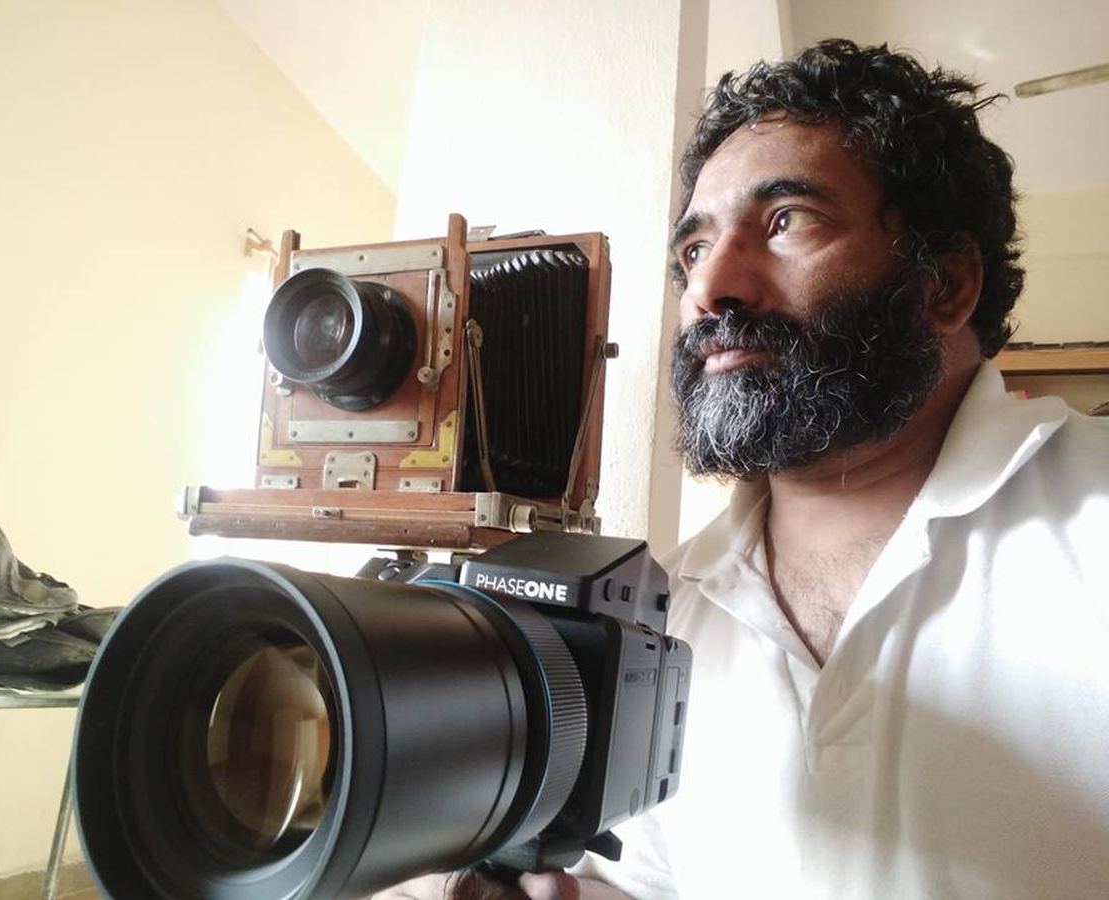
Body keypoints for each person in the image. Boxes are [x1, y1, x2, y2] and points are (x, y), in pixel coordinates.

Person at [378, 38, 1109, 900]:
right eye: (693, 251)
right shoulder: (662, 610)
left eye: (787, 220)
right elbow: (649, 881)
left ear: (945, 285)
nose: (712, 287)